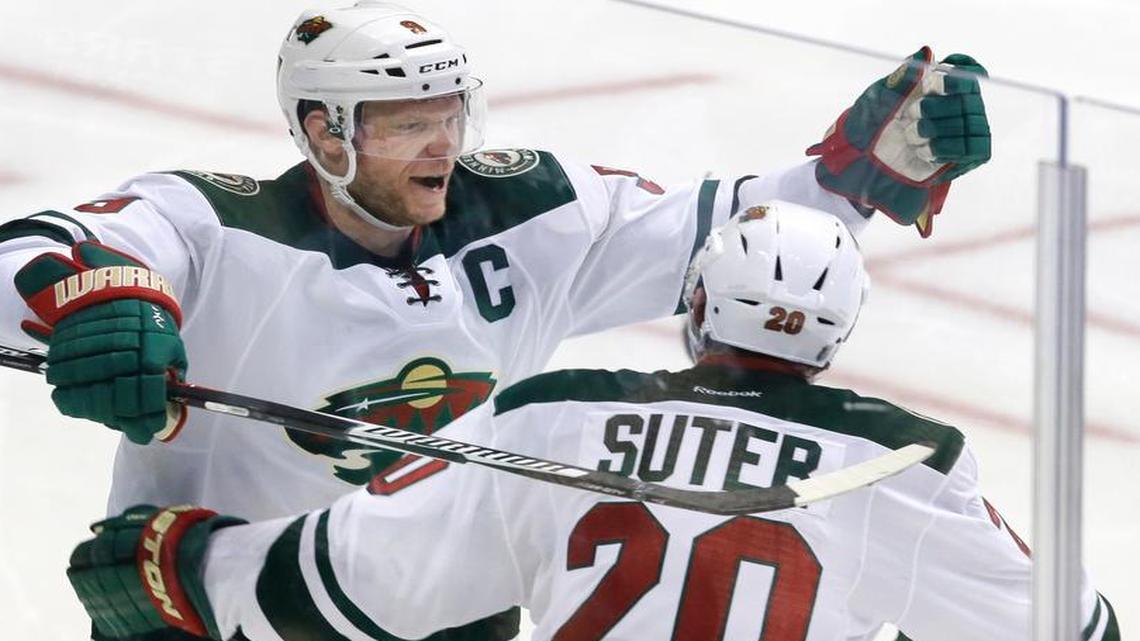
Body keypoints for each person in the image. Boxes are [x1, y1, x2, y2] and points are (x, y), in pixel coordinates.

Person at [0, 0, 989, 638]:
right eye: (402, 124)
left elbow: (741, 236)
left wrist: (867, 168)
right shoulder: (214, 222)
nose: (440, 147)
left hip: (432, 606)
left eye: (449, 113)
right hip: (212, 596)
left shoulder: (533, 212)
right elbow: (42, 249)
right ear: (320, 131)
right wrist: (102, 302)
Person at [66, 201, 1117, 641]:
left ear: (697, 302)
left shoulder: (556, 414)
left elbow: (358, 578)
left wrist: (187, 562)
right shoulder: (906, 461)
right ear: (839, 331)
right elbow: (1070, 627)